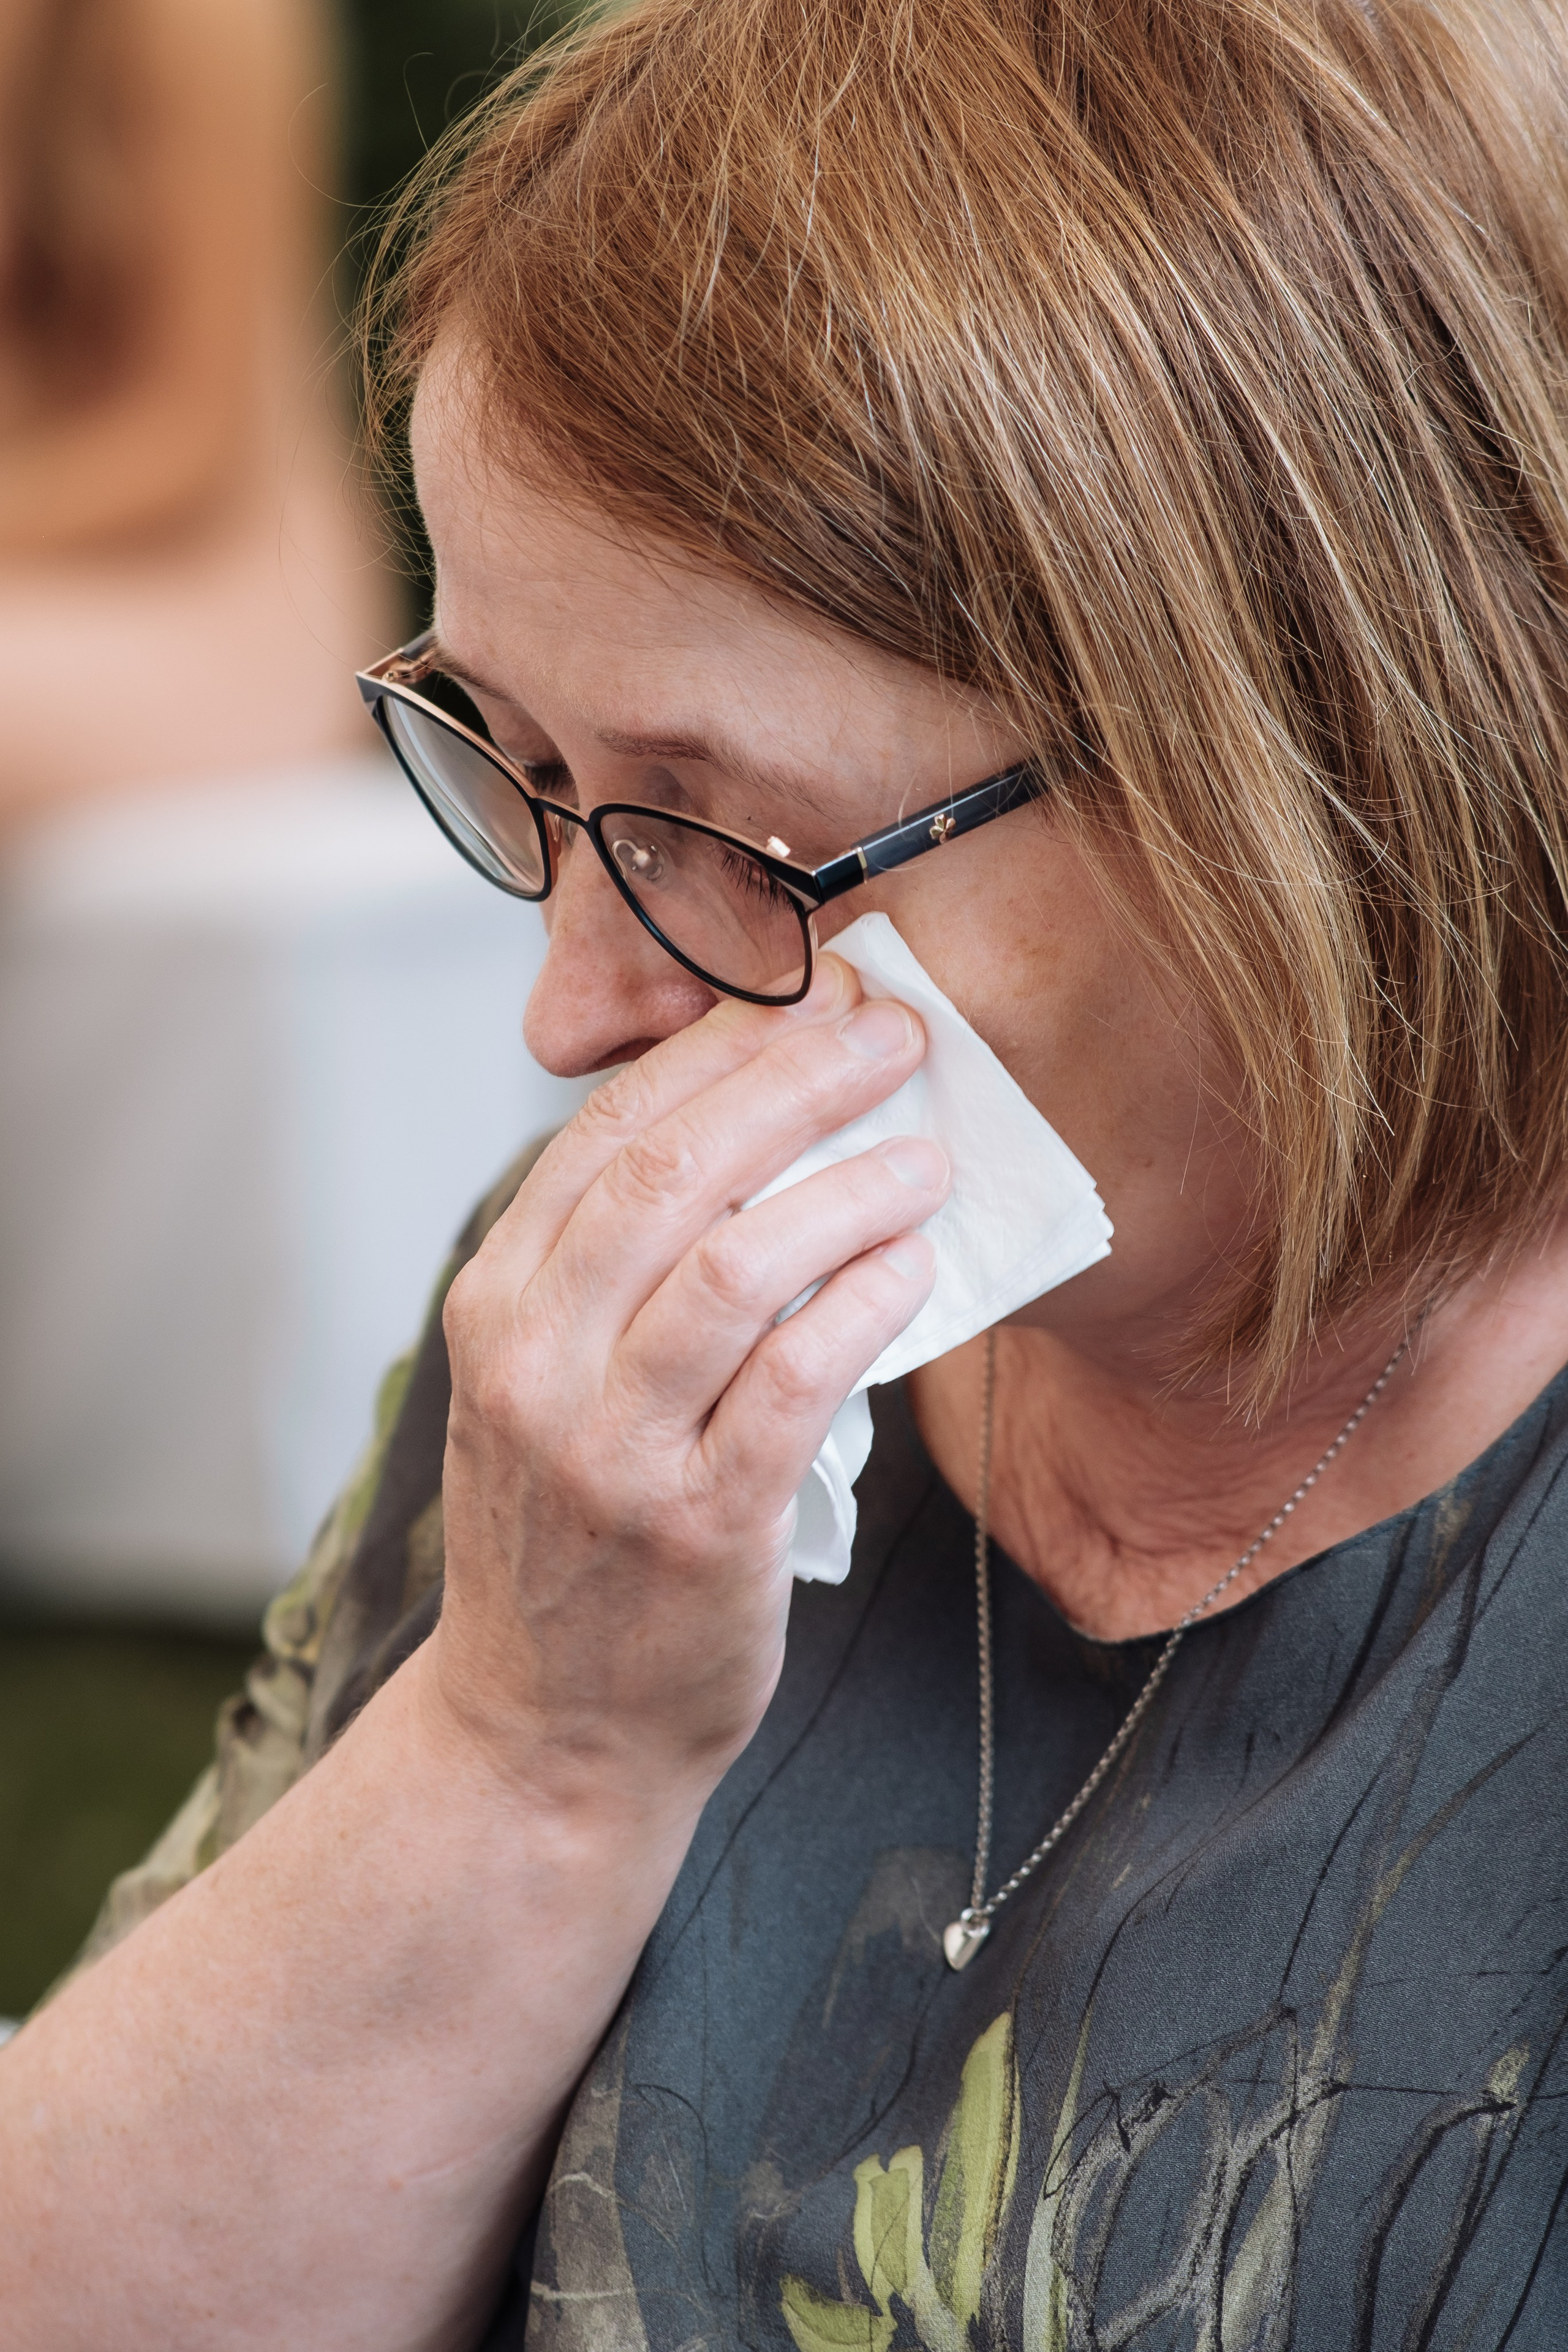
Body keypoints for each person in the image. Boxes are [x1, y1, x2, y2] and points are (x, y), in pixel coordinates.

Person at [4, 0, 1568, 2342]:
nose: (568, 1018)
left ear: (1326, 753)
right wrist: (530, 1749)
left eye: (734, 840)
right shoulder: (631, 1367)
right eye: (519, 768)